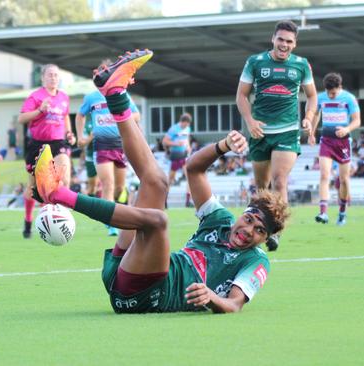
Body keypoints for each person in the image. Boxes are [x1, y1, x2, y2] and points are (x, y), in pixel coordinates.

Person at [33, 49, 289, 313]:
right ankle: (116, 94)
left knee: (158, 221)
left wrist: (211, 297)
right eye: (249, 220)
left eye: (260, 231)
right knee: (157, 182)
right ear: (242, 214)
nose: (249, 231)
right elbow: (194, 170)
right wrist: (223, 146)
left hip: (148, 295)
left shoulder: (257, 259)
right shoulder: (220, 220)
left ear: (266, 238)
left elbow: (234, 304)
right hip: (125, 270)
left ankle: (57, 193)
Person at [236, 19, 317, 250]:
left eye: (289, 41)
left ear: (295, 44)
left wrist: (308, 118)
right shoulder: (255, 62)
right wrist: (250, 122)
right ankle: (255, 228)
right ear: (273, 39)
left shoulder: (301, 65)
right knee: (262, 187)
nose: (284, 44)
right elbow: (241, 95)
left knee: (280, 180)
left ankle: (276, 232)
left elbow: (312, 96)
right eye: (280, 39)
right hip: (259, 131)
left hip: (287, 131)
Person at [77, 64, 140, 236]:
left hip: (120, 144)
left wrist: (120, 115)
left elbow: (136, 115)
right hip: (101, 145)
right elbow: (80, 114)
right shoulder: (91, 98)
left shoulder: (121, 94)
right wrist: (80, 136)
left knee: (120, 188)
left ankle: (117, 206)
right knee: (108, 185)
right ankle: (111, 224)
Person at [18, 64, 76, 238]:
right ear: (42, 78)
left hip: (58, 142)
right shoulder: (35, 96)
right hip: (38, 144)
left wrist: (69, 133)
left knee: (63, 177)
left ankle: (56, 216)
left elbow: (65, 116)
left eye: (56, 75)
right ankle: (28, 220)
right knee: (33, 187)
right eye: (50, 75)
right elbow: (22, 118)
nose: (53, 78)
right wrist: (39, 110)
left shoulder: (64, 97)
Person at [308, 72, 360, 226]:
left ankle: (342, 212)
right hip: (326, 140)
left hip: (343, 142)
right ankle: (323, 212)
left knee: (343, 179)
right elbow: (316, 114)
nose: (331, 96)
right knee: (324, 175)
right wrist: (312, 133)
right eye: (328, 93)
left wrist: (347, 129)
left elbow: (357, 120)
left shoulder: (349, 98)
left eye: (334, 93)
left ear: (340, 87)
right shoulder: (321, 97)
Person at [162, 113, 193, 207]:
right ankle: (164, 201)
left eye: (188, 125)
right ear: (182, 122)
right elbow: (165, 141)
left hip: (184, 155)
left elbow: (186, 139)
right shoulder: (173, 129)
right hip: (175, 155)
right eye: (185, 124)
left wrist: (188, 147)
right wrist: (176, 143)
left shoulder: (187, 129)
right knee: (170, 179)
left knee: (190, 177)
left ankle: (188, 201)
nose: (186, 126)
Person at [75, 112, 98, 198]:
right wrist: (91, 136)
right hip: (91, 158)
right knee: (92, 187)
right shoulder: (88, 124)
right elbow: (81, 144)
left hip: (106, 155)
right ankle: (93, 207)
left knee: (108, 184)